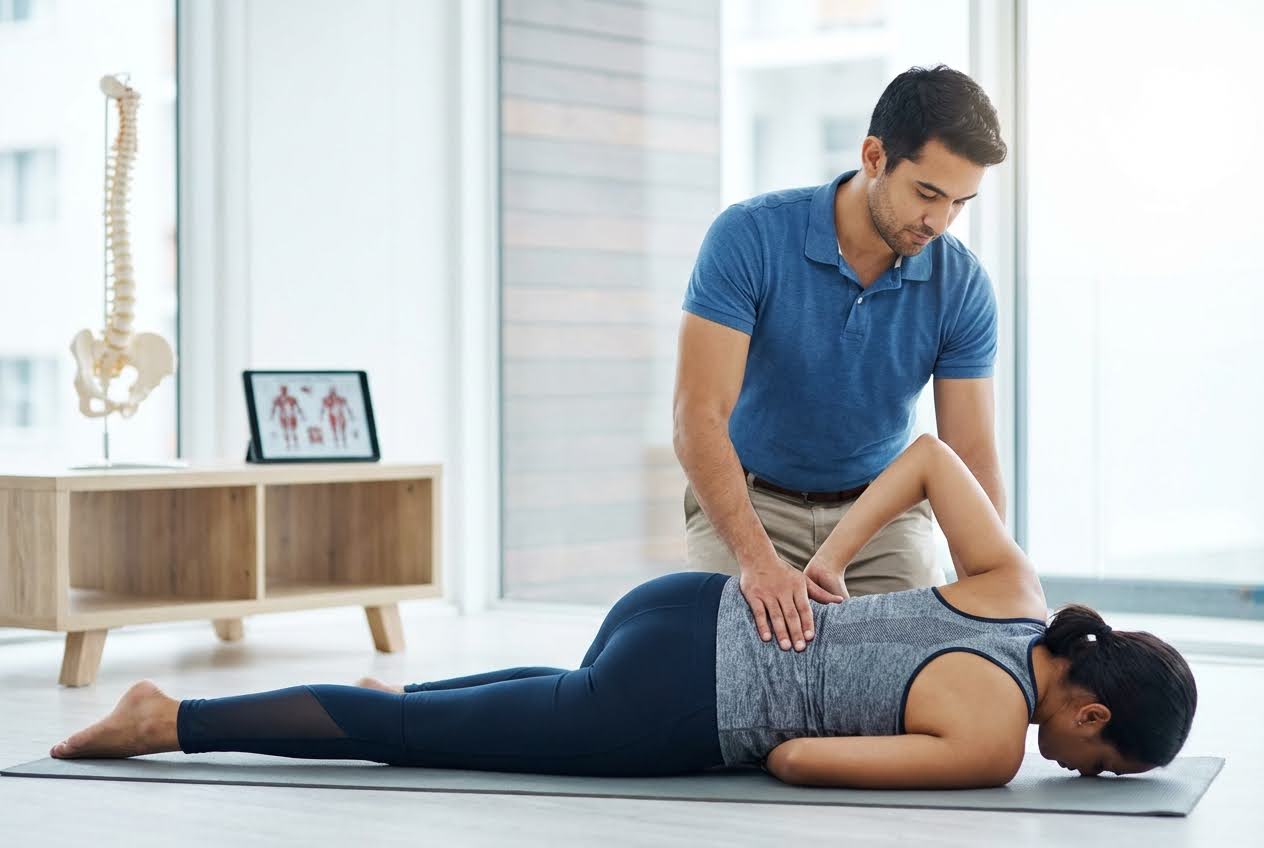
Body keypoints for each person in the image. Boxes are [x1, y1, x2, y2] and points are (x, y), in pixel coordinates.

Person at [50, 435, 1196, 788]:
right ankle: (171, 720)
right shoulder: (994, 741)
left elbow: (932, 456)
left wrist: (828, 563)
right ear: (1090, 713)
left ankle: (331, 698)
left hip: (684, 603)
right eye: (1100, 765)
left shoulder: (1017, 591)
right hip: (677, 700)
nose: (1080, 776)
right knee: (412, 740)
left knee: (431, 707)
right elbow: (795, 754)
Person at [674, 64, 1009, 654]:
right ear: (875, 156)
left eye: (960, 202)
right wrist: (758, 562)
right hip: (748, 503)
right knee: (727, 676)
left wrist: (996, 596)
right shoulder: (747, 237)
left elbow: (970, 456)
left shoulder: (962, 285)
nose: (940, 221)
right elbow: (696, 417)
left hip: (881, 520)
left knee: (914, 677)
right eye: (927, 193)